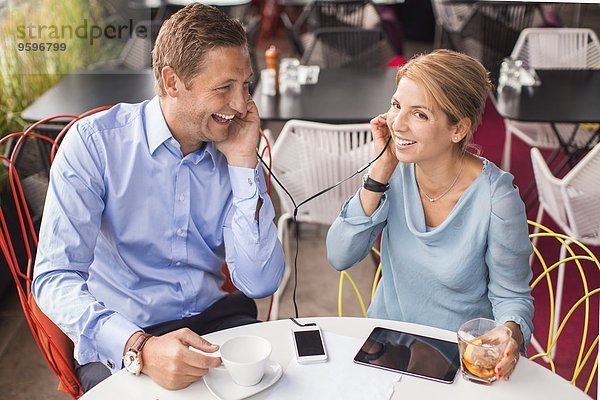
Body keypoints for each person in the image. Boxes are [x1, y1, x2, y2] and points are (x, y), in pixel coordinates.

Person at [32, 4, 285, 392]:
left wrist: (243, 163)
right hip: (125, 337)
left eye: (245, 85)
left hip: (216, 322)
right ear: (171, 82)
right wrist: (140, 347)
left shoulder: (232, 149)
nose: (241, 105)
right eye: (224, 87)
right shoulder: (95, 145)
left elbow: (260, 281)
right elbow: (54, 279)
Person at [326, 49, 533, 381]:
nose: (398, 123)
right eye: (396, 106)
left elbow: (512, 295)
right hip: (386, 344)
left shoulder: (497, 199)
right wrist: (382, 168)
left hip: (456, 356)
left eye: (419, 114)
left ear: (457, 129)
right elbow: (339, 255)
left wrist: (510, 331)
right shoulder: (395, 171)